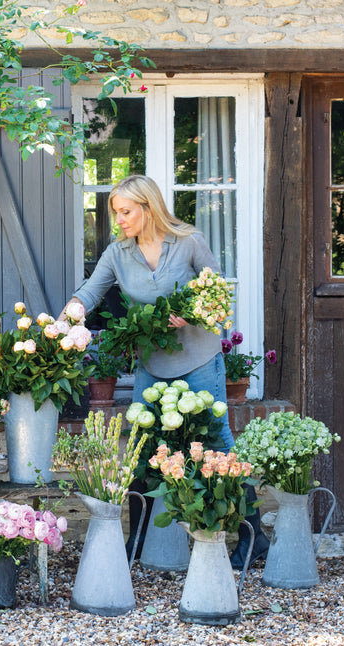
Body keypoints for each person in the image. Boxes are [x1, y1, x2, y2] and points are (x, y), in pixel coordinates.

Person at [60, 175, 267, 569]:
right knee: (143, 448)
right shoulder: (118, 253)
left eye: (126, 211)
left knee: (218, 446)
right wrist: (66, 318)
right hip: (153, 366)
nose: (119, 219)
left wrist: (191, 314)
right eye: (116, 213)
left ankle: (254, 539)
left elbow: (218, 293)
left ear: (148, 207)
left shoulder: (188, 241)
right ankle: (137, 541)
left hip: (199, 360)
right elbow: (90, 291)